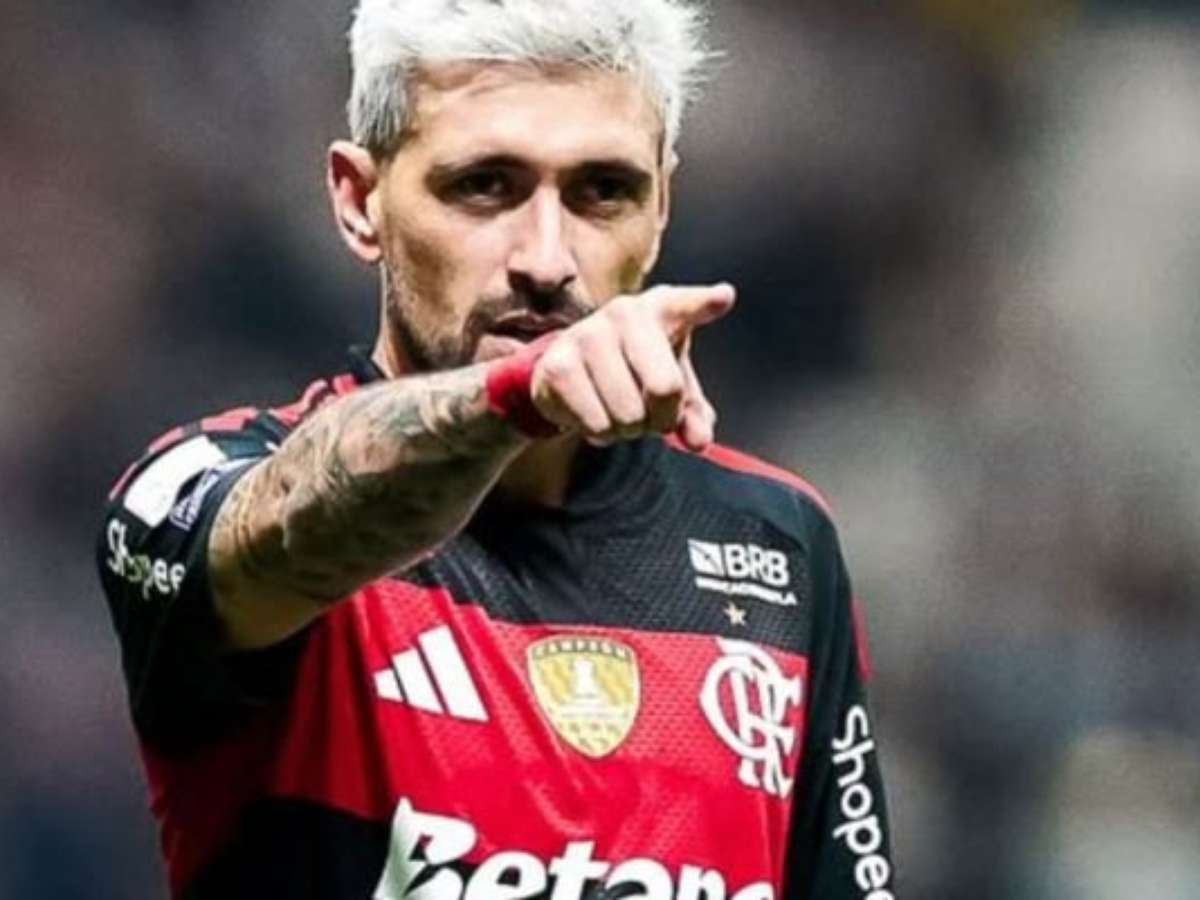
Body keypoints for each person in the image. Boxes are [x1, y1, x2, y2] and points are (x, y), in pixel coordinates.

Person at [96, 1, 893, 898]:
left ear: (662, 207)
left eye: (603, 191)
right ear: (359, 202)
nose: (546, 260)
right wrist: (516, 397)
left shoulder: (778, 544)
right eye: (484, 185)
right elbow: (285, 527)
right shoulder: (193, 490)